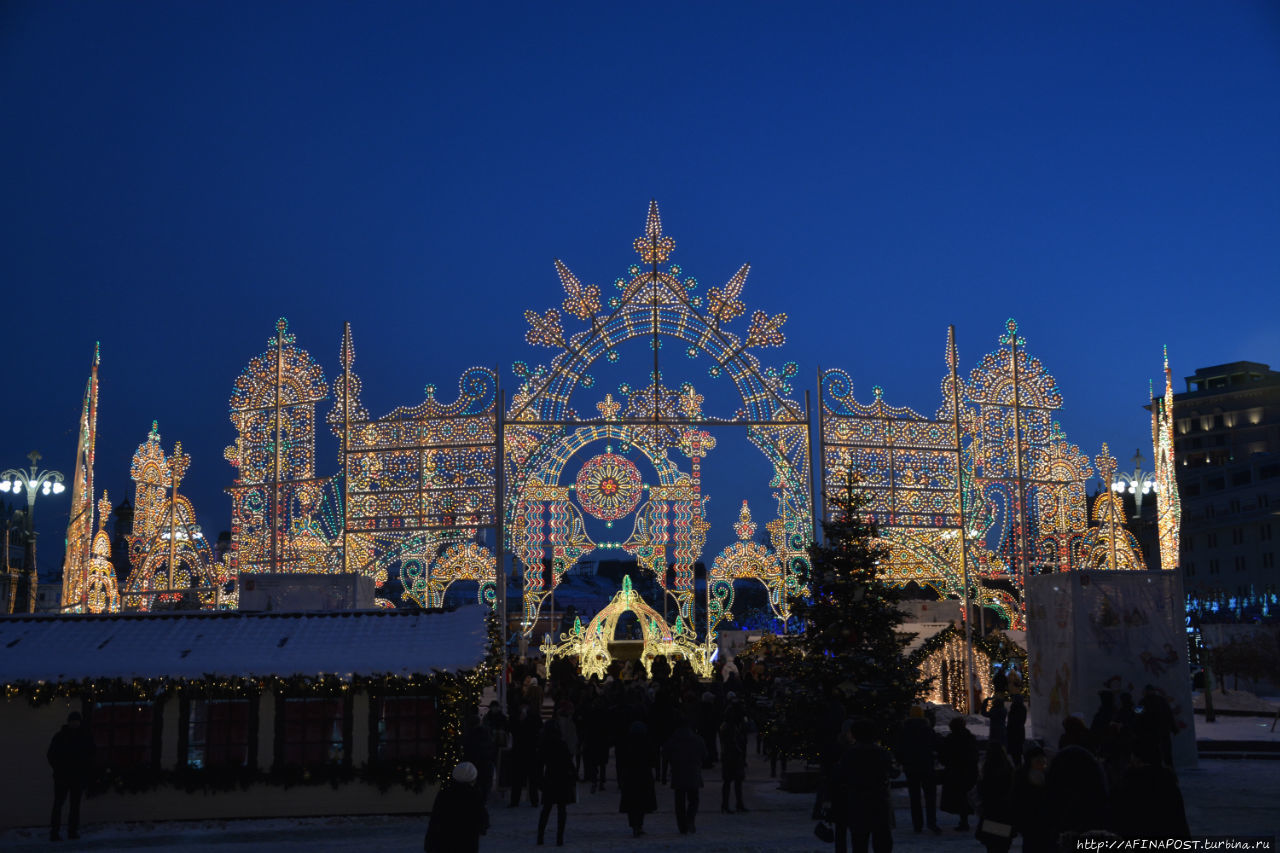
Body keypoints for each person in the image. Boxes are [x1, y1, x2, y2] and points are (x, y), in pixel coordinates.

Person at [831, 718, 895, 853]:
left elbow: (840, 775)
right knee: (882, 840)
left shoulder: (849, 755)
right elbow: (894, 772)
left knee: (859, 841)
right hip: (879, 801)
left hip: (857, 801)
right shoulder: (882, 753)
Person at [47, 710, 94, 842]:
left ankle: (71, 831)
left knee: (74, 805)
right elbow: (51, 755)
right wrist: (59, 769)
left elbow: (91, 754)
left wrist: (84, 769)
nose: (74, 724)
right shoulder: (61, 737)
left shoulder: (84, 737)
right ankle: (55, 832)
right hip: (63, 776)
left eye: (76, 721)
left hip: (76, 776)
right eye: (73, 721)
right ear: (69, 722)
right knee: (59, 804)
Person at [424, 761, 490, 853]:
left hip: (443, 843)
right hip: (466, 844)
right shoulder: (474, 796)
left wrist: (429, 843)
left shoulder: (445, 793)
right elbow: (482, 819)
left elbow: (435, 819)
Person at [894, 705, 940, 833]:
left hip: (911, 766)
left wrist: (902, 761)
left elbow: (899, 748)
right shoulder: (927, 729)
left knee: (914, 797)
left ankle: (917, 824)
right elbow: (936, 744)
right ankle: (931, 822)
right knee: (930, 796)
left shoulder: (904, 730)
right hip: (926, 765)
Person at [662, 716, 707, 834]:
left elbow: (665, 757)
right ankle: (690, 820)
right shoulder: (698, 740)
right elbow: (704, 755)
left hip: (678, 773)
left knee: (679, 802)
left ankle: (682, 826)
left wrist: (663, 775)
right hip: (693, 772)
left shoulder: (672, 740)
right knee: (694, 800)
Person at [536, 719, 576, 846]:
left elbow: (539, 764)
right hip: (562, 779)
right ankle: (559, 838)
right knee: (561, 809)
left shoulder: (544, 745)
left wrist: (540, 780)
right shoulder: (561, 743)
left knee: (546, 809)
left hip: (550, 778)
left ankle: (540, 837)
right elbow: (569, 762)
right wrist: (573, 776)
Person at [617, 720, 658, 837]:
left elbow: (622, 760)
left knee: (632, 802)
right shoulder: (647, 743)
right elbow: (653, 759)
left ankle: (634, 824)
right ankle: (639, 825)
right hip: (644, 775)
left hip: (630, 776)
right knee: (641, 802)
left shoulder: (627, 743)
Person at [938, 716, 979, 831]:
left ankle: (964, 820)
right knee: (966, 796)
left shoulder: (951, 739)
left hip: (955, 772)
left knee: (960, 796)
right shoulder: (969, 737)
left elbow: (944, 755)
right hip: (968, 772)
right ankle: (966, 819)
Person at [1010, 746, 1054, 853]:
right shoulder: (1048, 775)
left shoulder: (1021, 775)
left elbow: (1016, 798)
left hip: (1027, 820)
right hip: (1044, 820)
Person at [975, 743, 1015, 853]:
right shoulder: (1009, 772)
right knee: (1003, 846)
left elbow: (981, 793)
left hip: (990, 815)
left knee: (992, 846)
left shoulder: (987, 773)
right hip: (1005, 816)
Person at [509, 701, 543, 807]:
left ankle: (534, 800)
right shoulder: (515, 717)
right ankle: (515, 801)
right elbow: (511, 729)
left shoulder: (534, 717)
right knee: (517, 779)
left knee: (532, 778)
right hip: (519, 751)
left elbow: (538, 730)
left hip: (531, 751)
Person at [718, 703, 749, 813]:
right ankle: (729, 805)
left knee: (733, 781)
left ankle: (731, 804)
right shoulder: (730, 726)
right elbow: (731, 742)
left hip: (731, 756)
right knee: (732, 781)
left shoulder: (729, 725)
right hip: (731, 756)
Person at [1005, 695, 1027, 766]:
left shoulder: (1014, 708)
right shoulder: (1023, 708)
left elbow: (1012, 721)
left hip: (1013, 733)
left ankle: (1017, 767)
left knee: (1015, 753)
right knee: (1018, 752)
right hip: (1020, 732)